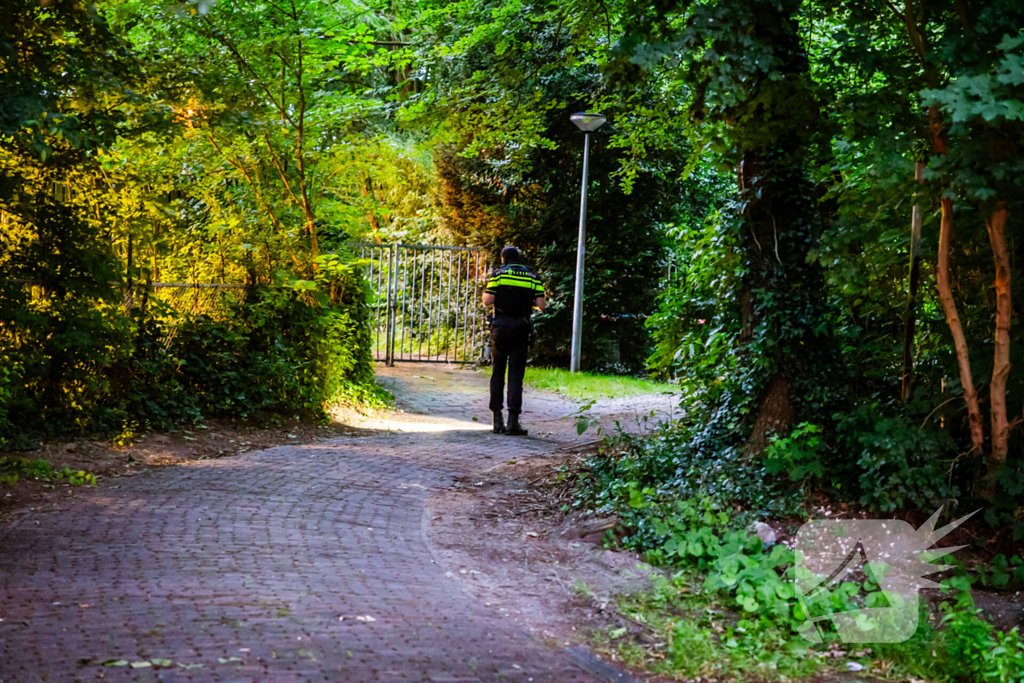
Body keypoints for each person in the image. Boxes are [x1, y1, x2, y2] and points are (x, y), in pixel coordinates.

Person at [482, 245, 545, 435]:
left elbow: (487, 300)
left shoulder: (498, 275)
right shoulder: (532, 277)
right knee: (516, 375)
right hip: (521, 327)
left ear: (504, 259)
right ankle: (513, 422)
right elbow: (541, 305)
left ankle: (497, 420)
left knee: (498, 371)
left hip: (500, 327)